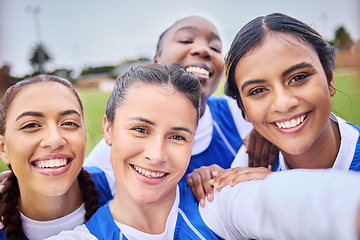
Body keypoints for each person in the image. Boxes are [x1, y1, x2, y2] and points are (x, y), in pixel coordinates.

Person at [48, 63, 360, 240]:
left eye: (177, 136)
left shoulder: (218, 204)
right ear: (107, 128)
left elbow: (307, 205)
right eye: (141, 130)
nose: (156, 154)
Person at [84, 16, 278, 196]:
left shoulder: (240, 114)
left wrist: (268, 131)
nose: (203, 50)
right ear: (157, 60)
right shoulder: (116, 147)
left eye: (216, 48)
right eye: (186, 40)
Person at [188, 12, 360, 200]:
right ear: (244, 110)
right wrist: (209, 182)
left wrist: (282, 187)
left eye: (298, 78)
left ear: (329, 80)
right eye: (258, 91)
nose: (283, 104)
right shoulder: (249, 164)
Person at [0, 75, 113, 240]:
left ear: (84, 139)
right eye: (31, 125)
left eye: (69, 123)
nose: (54, 140)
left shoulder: (118, 190)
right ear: (3, 149)